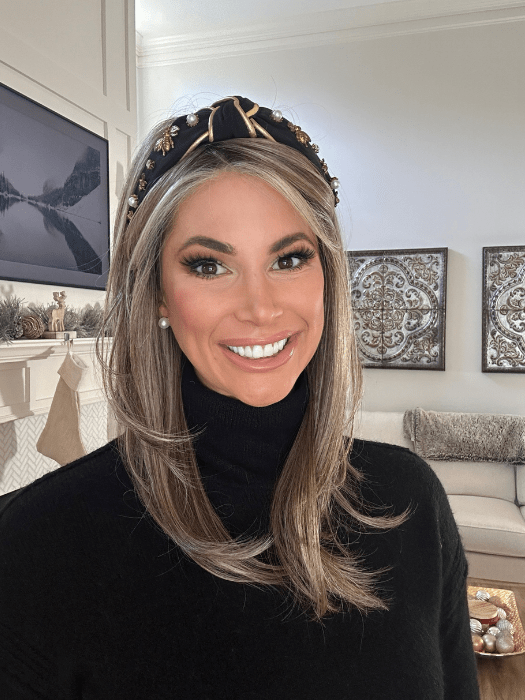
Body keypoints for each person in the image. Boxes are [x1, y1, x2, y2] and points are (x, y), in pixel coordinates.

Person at [0, 96, 479, 699]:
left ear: (327, 276)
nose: (260, 307)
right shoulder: (40, 543)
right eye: (209, 266)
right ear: (157, 292)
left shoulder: (411, 504)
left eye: (289, 258)